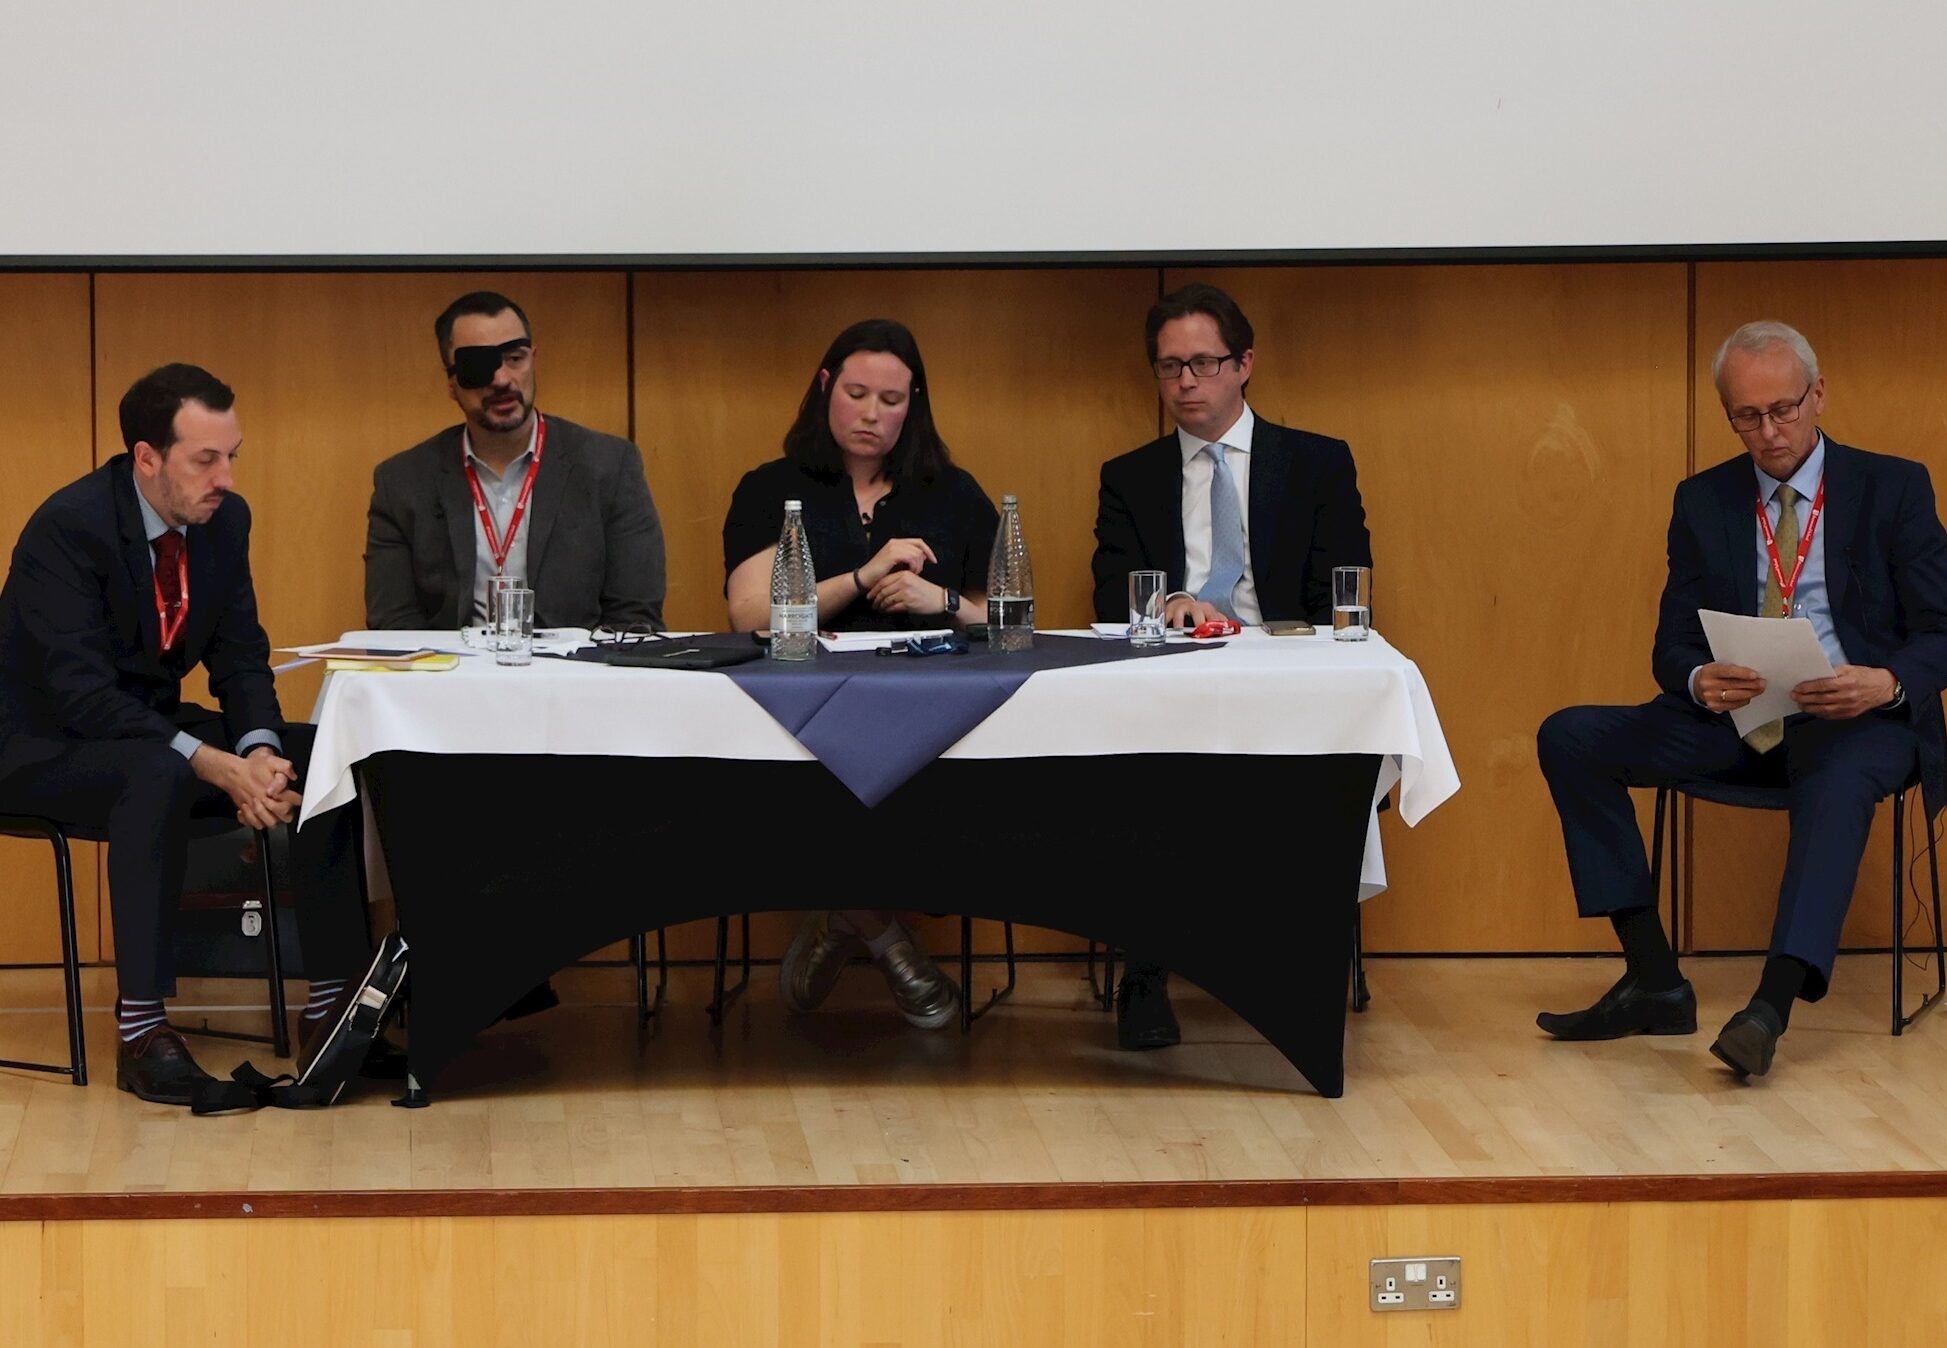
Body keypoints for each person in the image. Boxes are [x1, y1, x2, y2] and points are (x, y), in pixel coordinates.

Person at [1536, 320, 1947, 1079]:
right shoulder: (1702, 500)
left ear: (1817, 396)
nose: (1768, 433)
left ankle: (1769, 1007)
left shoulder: (1893, 487)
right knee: (1569, 736)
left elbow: (1940, 628)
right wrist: (1698, 679)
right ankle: (1653, 978)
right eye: (1746, 417)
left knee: (1837, 781)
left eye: (1783, 410)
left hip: (1855, 717)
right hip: (1740, 716)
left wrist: (1884, 681)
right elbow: (1671, 644)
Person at [0, 365, 378, 1105]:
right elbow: (80, 695)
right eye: (206, 460)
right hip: (37, 741)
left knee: (327, 749)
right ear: (147, 458)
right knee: (160, 773)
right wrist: (211, 762)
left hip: (141, 727)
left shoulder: (221, 521)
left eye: (232, 454)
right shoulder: (67, 528)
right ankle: (142, 1030)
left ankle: (332, 1007)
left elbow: (238, 656)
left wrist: (258, 750)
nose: (226, 476)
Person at [1091, 282, 1373, 1050]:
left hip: (1284, 683)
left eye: (1203, 364)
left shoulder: (1315, 464)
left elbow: (1343, 586)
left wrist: (1263, 646)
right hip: (1171, 684)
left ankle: (1289, 970)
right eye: (1168, 367)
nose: (1185, 382)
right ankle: (1145, 976)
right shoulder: (1131, 475)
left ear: (1243, 364)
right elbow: (1112, 589)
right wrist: (1171, 602)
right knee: (1142, 773)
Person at [723, 318, 1000, 1028]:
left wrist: (938, 601)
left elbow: (1002, 621)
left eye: (891, 399)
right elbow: (750, 616)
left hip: (929, 712)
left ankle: (844, 921)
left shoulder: (953, 491)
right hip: (801, 714)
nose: (872, 414)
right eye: (855, 393)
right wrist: (860, 576)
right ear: (824, 389)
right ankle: (885, 937)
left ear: (915, 404)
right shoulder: (771, 487)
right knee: (804, 790)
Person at [364, 290, 666, 632]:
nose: (502, 379)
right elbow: (392, 625)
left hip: (576, 677)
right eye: (479, 366)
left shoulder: (609, 466)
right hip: (451, 678)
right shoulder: (403, 482)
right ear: (452, 383)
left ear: (533, 359)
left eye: (515, 358)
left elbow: (635, 615)